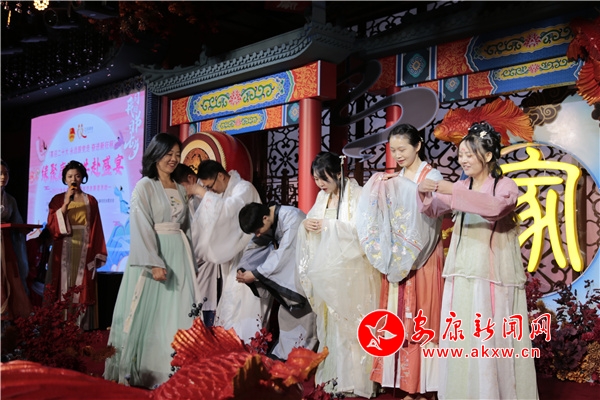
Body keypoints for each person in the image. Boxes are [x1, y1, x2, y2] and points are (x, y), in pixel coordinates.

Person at [417, 122, 539, 400]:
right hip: (463, 270)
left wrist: (453, 191)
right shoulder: (461, 185)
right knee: (464, 335)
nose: (463, 160)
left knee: (491, 335)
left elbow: (494, 208)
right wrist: (424, 192)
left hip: (493, 274)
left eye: (469, 154)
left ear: (488, 155)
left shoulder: (504, 186)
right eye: (460, 155)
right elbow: (432, 208)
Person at [104, 133, 199, 389]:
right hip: (156, 254)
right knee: (151, 312)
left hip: (179, 254)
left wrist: (190, 258)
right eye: (169, 154)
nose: (174, 159)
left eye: (177, 155)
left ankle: (175, 367)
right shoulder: (144, 186)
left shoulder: (180, 187)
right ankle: (148, 369)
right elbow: (141, 225)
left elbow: (186, 227)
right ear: (155, 155)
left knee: (177, 309)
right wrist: (154, 261)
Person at [357, 124, 444, 399]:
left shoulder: (432, 176)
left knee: (421, 317)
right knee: (395, 316)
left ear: (418, 145)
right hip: (397, 257)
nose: (397, 155)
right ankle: (397, 380)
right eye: (393, 150)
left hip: (423, 257)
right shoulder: (394, 178)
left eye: (402, 149)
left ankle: (422, 386)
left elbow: (430, 216)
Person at [297, 151, 380, 398]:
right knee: (333, 327)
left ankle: (357, 381)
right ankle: (335, 377)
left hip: (354, 271)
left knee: (353, 325)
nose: (320, 184)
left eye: (324, 178)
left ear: (338, 173)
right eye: (316, 179)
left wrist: (329, 226)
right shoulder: (322, 198)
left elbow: (365, 233)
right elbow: (313, 222)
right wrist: (306, 226)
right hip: (330, 272)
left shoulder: (359, 196)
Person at [185, 160, 264, 343]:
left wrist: (200, 191)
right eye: (207, 187)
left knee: (246, 304)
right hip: (234, 256)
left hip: (250, 255)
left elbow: (229, 211)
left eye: (210, 186)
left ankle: (250, 345)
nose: (210, 191)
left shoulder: (244, 188)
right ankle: (233, 346)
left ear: (220, 176)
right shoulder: (224, 192)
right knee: (231, 305)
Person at [236, 202, 318, 360]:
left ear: (265, 218)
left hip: (304, 275)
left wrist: (256, 273)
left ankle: (301, 356)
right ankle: (285, 354)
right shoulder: (269, 219)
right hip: (289, 277)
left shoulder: (292, 218)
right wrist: (244, 267)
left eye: (257, 231)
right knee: (286, 316)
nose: (257, 235)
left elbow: (286, 254)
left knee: (306, 319)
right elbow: (255, 246)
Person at [46, 160, 107, 329]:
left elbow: (96, 227)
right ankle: (60, 325)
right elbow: (52, 225)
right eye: (70, 176)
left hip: (84, 248)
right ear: (65, 179)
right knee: (61, 284)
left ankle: (81, 326)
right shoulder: (58, 200)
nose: (74, 179)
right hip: (63, 246)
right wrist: (66, 203)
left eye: (77, 176)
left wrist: (96, 251)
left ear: (83, 178)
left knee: (82, 285)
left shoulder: (91, 200)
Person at [172, 163, 217, 326]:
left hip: (206, 260)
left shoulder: (206, 196)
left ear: (191, 179)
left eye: (180, 187)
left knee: (204, 306)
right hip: (192, 262)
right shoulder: (188, 199)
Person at [1, 160, 32, 321]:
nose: (3, 177)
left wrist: (24, 229)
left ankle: (8, 317)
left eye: (6, 174)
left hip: (6, 244)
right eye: (0, 173)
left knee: (10, 277)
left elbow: (17, 221)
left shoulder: (10, 200)